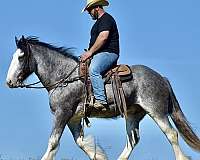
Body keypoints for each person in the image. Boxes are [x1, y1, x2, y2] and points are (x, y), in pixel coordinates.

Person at [81, 0, 120, 110]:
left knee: (94, 70)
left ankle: (101, 100)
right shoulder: (98, 23)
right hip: (98, 54)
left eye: (89, 10)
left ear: (97, 7)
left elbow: (103, 37)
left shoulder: (107, 19)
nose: (89, 13)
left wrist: (89, 52)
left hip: (109, 53)